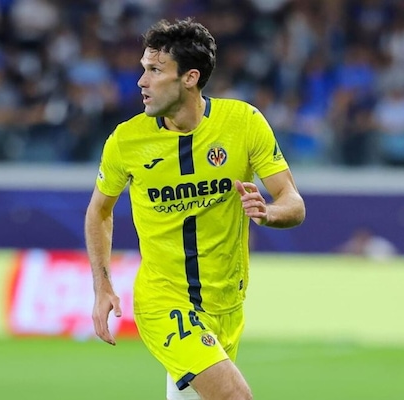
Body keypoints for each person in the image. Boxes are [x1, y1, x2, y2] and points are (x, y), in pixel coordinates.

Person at [85, 19, 306, 400]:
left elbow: (293, 201)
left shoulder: (243, 123)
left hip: (227, 304)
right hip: (165, 302)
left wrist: (268, 212)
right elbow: (98, 212)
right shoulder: (126, 141)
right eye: (144, 68)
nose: (142, 81)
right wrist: (102, 286)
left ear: (190, 78)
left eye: (156, 70)